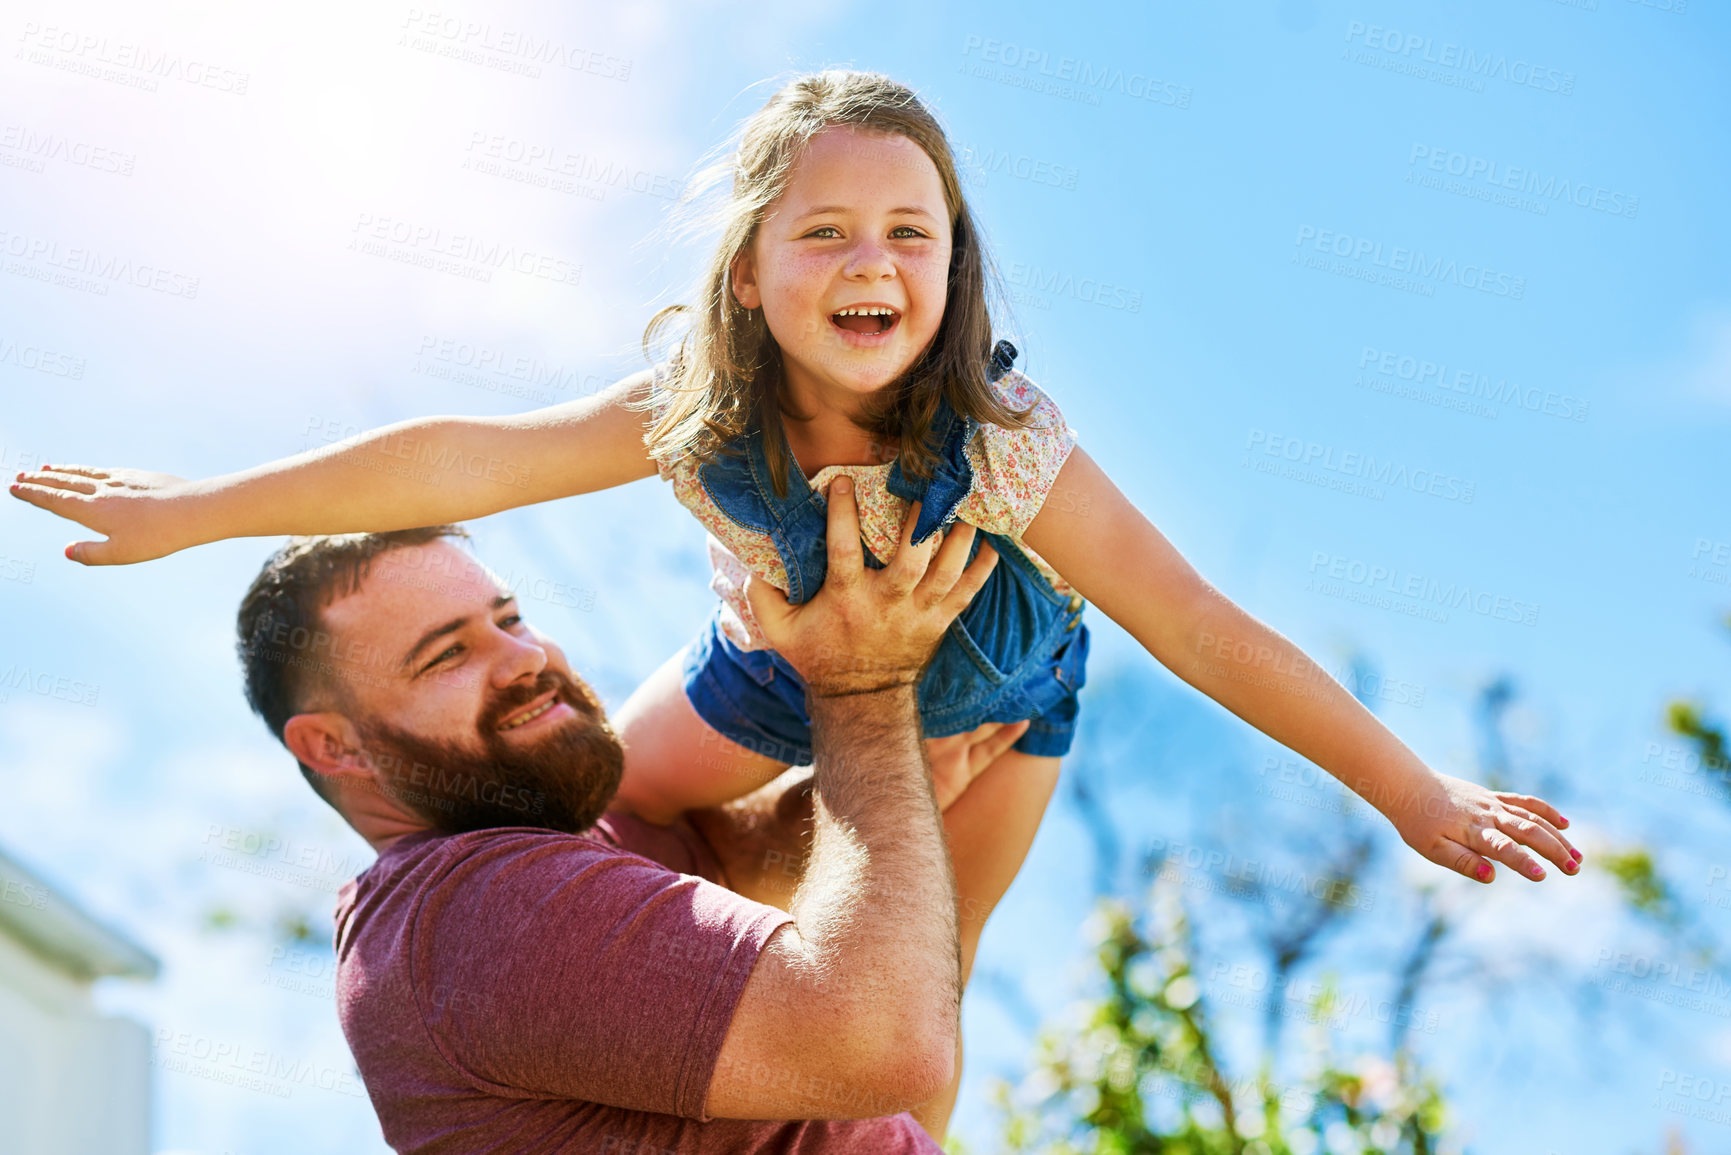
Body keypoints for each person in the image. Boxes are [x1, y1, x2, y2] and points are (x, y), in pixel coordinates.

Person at [9, 69, 1582, 888]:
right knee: (578, 808)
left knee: (911, 1011)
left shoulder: (1006, 441)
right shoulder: (699, 411)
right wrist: (194, 509)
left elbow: (1196, 620)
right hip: (759, 686)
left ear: (951, 270)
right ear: (749, 276)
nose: (868, 260)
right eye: (821, 231)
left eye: (908, 231)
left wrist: (1408, 786)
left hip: (995, 707)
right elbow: (461, 454)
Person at [234, 486, 1031, 1150]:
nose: (526, 656)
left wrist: (879, 780)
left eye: (508, 618)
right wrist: (860, 689)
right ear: (334, 745)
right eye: (447, 654)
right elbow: (882, 1040)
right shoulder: (465, 915)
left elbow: (752, 872)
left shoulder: (559, 848)